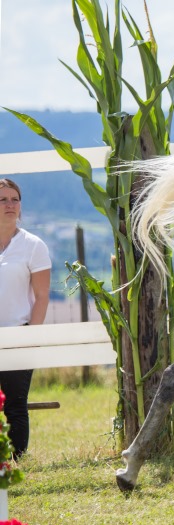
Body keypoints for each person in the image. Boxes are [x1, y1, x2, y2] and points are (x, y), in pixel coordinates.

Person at [0, 178, 51, 460]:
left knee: (16, 405)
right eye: (3, 199)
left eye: (15, 199)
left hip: (19, 335)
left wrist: (31, 335)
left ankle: (14, 465)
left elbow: (42, 296)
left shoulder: (33, 246)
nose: (10, 204)